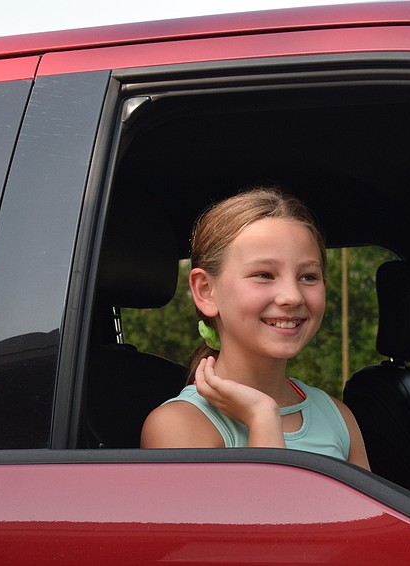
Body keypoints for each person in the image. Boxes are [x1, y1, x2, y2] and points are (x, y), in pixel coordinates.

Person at [141, 185, 369, 470]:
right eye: (264, 274)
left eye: (308, 277)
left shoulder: (338, 417)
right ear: (206, 291)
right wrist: (262, 417)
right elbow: (267, 501)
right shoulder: (179, 425)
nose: (292, 296)